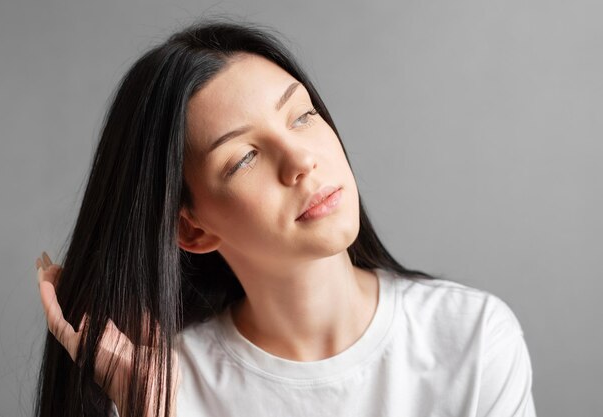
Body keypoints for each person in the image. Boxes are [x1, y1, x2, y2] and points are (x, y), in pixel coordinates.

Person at [34, 20, 537, 417]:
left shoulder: (470, 338)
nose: (301, 161)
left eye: (302, 115)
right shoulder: (160, 384)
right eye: (244, 158)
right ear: (193, 228)